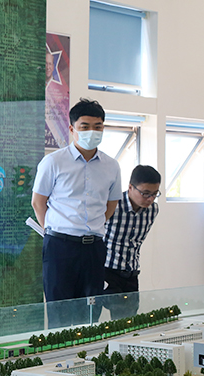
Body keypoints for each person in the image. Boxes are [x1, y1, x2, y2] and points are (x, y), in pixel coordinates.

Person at [32, 98, 121, 327]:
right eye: (85, 126)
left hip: (94, 248)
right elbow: (38, 202)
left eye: (98, 127)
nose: (92, 132)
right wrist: (52, 231)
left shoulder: (111, 166)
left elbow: (111, 204)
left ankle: (88, 350)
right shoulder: (53, 161)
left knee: (91, 313)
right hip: (59, 247)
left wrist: (92, 226)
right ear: (72, 129)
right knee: (59, 311)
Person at [102, 165, 161, 319]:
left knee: (128, 321)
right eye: (145, 193)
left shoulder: (153, 210)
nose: (150, 199)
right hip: (106, 270)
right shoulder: (112, 205)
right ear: (130, 187)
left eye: (155, 194)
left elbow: (135, 243)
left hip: (131, 273)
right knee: (95, 319)